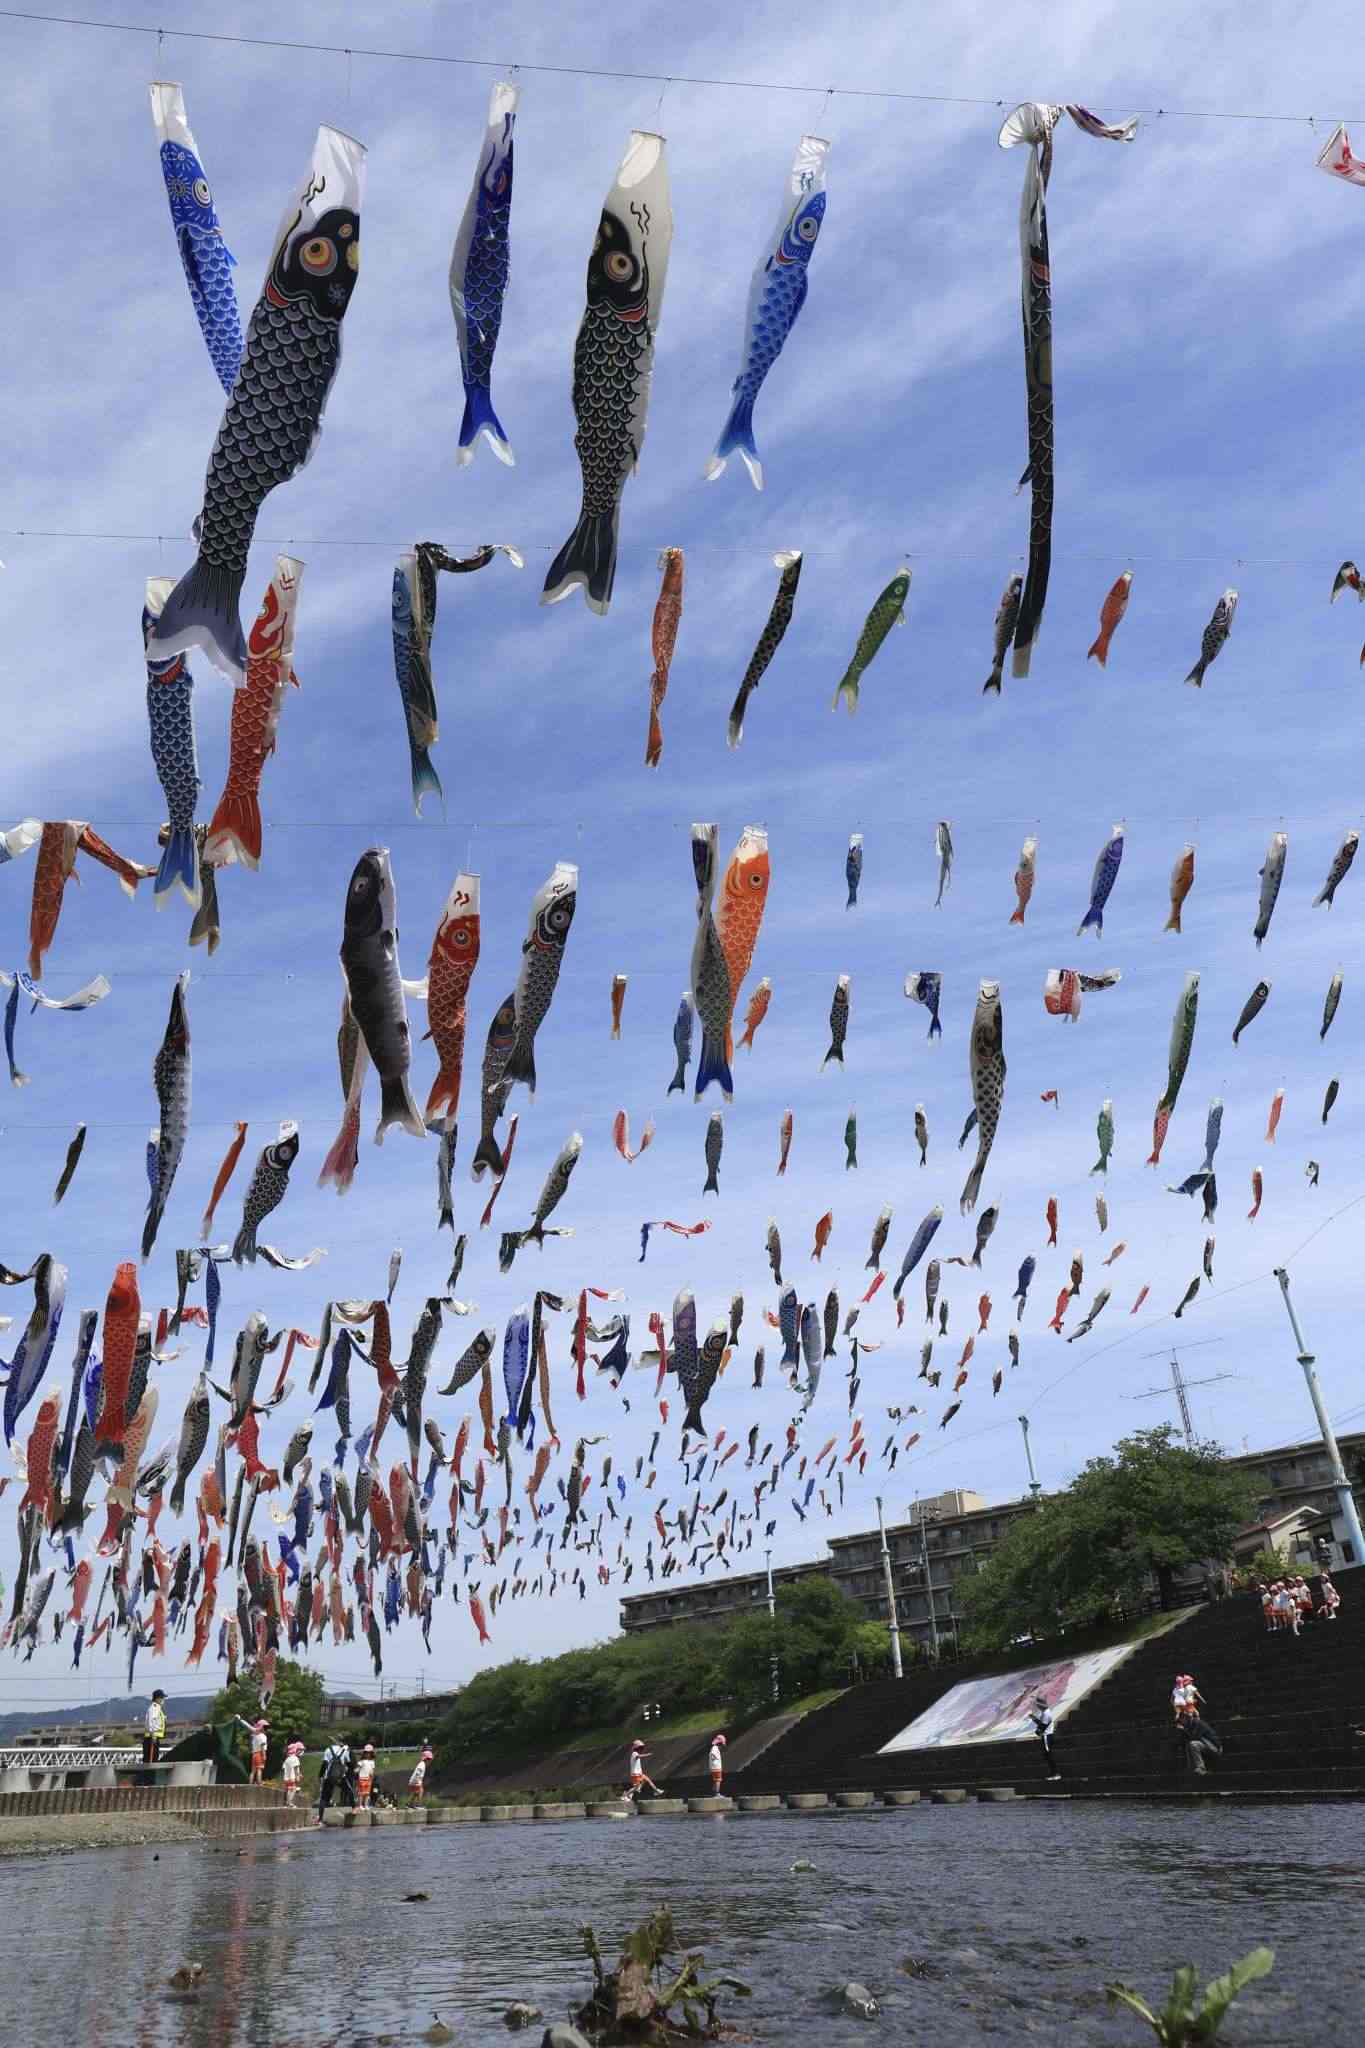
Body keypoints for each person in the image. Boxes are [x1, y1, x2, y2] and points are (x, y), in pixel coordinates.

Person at [318, 1736, 352, 1821]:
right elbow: (349, 1764)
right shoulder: (344, 1750)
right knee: (349, 1791)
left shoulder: (328, 1750)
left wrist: (320, 1775)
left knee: (323, 1797)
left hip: (329, 1776)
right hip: (341, 1776)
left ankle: (320, 1818)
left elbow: (324, 1764)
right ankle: (354, 1808)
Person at [1028, 1693, 1060, 1779]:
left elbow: (1042, 1727)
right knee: (1047, 1755)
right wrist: (1034, 1719)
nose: (1037, 1707)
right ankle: (1054, 1773)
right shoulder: (1046, 1712)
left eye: (1038, 1705)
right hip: (1048, 1735)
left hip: (1047, 1736)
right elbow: (1042, 1724)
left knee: (1048, 1755)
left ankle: (1055, 1774)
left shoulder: (1046, 1714)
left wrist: (1037, 1733)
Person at [626, 1739, 662, 1803]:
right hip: (635, 1774)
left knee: (648, 1780)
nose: (641, 1750)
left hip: (640, 1773)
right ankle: (626, 1795)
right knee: (636, 1788)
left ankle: (656, 1791)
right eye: (640, 1748)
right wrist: (647, 1754)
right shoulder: (634, 1753)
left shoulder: (636, 1753)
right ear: (637, 1748)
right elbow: (638, 1756)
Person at [143, 1689, 167, 1764]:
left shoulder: (157, 1708)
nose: (163, 1700)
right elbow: (151, 1721)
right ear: (157, 1698)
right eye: (162, 1698)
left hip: (153, 1737)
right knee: (152, 1760)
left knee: (153, 1758)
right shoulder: (155, 1707)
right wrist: (153, 1734)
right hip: (152, 1737)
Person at [281, 1740, 303, 1809]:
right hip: (292, 1778)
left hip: (286, 1778)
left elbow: (284, 1768)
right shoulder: (295, 1758)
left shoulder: (287, 1759)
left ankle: (287, 1803)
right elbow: (296, 1769)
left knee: (288, 1790)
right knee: (293, 1790)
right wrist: (298, 1776)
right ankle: (290, 1803)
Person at [355, 1743, 377, 1809]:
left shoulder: (372, 1762)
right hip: (361, 1778)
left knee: (367, 1793)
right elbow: (358, 1768)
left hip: (368, 1779)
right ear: (364, 1753)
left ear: (371, 1754)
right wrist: (355, 1771)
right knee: (361, 1793)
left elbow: (372, 1770)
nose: (368, 1754)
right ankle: (360, 1805)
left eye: (369, 1753)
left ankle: (366, 1805)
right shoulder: (362, 1761)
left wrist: (372, 1775)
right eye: (366, 1753)